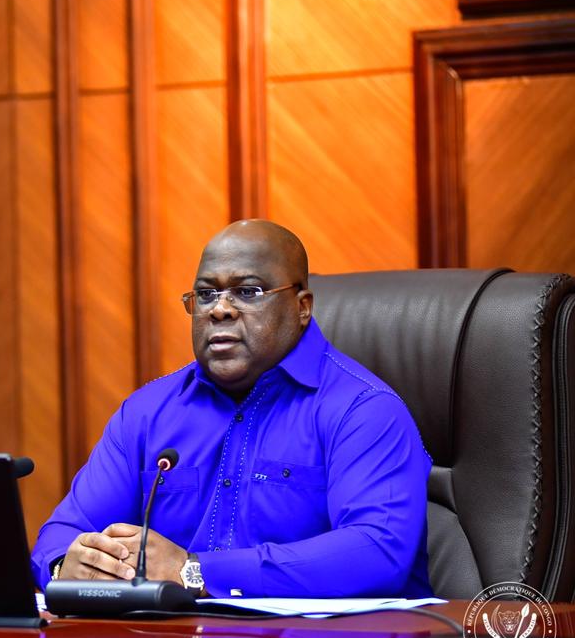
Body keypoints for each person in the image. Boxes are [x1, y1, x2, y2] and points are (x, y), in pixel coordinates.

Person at [31, 220, 432, 598]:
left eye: (248, 292)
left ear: (302, 307)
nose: (219, 309)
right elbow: (63, 532)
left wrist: (195, 571)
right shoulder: (147, 413)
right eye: (206, 294)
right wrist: (66, 567)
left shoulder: (362, 410)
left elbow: (378, 550)